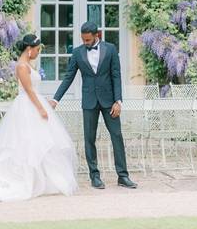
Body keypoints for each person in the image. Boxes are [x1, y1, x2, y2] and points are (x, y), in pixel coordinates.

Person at [0, 34, 78, 202]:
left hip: (34, 103)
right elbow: (28, 90)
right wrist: (41, 108)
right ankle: (27, 179)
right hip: (27, 107)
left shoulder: (28, 65)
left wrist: (43, 102)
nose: (39, 53)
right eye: (37, 50)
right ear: (29, 49)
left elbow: (34, 90)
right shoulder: (22, 66)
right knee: (27, 143)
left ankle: (41, 179)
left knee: (40, 142)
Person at [50, 23, 138, 190]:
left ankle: (123, 176)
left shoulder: (111, 49)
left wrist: (118, 101)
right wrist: (56, 100)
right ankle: (94, 176)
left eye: (88, 39)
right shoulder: (77, 52)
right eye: (83, 39)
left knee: (117, 136)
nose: (85, 42)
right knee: (89, 139)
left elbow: (116, 76)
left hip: (110, 102)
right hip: (89, 102)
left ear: (97, 34)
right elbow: (68, 77)